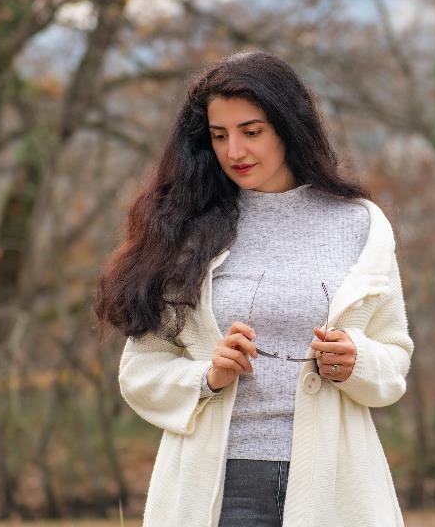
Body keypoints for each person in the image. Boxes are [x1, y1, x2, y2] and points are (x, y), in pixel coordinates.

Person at [95, 50, 413, 526]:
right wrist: (207, 375)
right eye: (219, 136)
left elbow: (394, 358)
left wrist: (356, 360)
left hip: (334, 483)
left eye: (251, 131)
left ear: (288, 127)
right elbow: (140, 372)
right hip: (219, 486)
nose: (235, 152)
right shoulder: (184, 231)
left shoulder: (360, 225)